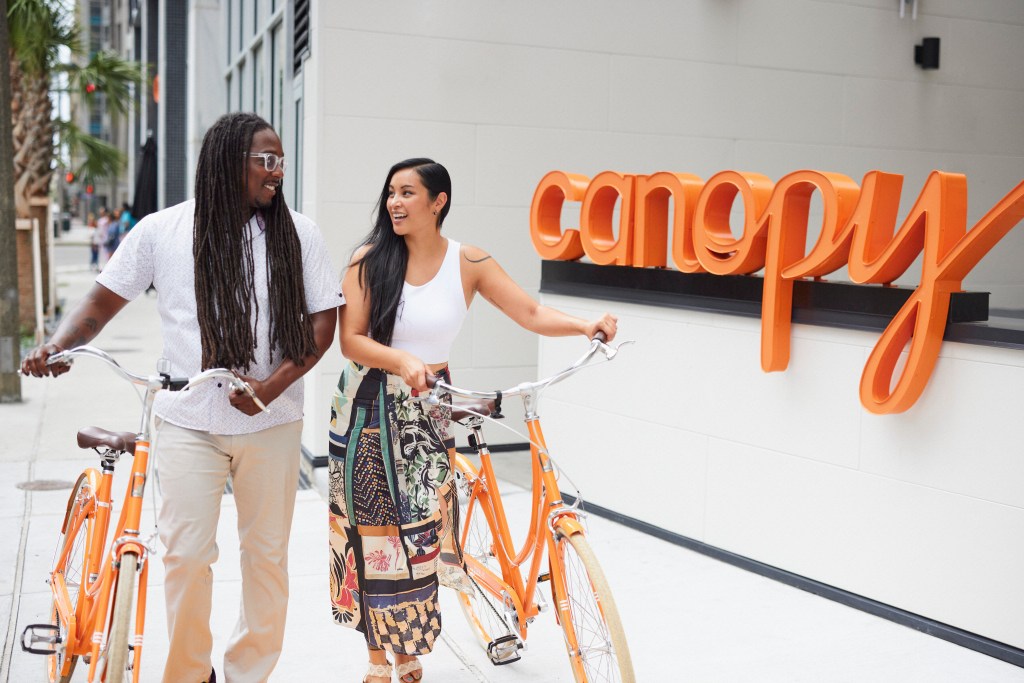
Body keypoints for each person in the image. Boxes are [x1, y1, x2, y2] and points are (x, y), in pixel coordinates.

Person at [22, 112, 342, 683]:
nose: (278, 172)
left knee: (265, 561)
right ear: (227, 163)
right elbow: (100, 304)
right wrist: (59, 345)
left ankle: (248, 674)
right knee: (186, 558)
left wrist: (269, 390)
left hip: (271, 424)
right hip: (186, 419)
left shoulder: (300, 234)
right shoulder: (162, 231)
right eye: (266, 161)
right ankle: (191, 675)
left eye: (281, 161)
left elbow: (322, 326)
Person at [328, 158, 616, 683]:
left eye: (408, 193)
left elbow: (529, 313)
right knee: (372, 532)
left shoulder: (470, 261)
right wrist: (402, 360)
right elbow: (351, 339)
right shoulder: (369, 260)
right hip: (370, 402)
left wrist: (584, 324)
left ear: (438, 202)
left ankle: (406, 644)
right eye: (391, 192)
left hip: (430, 407)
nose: (394, 202)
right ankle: (377, 656)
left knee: (420, 535)